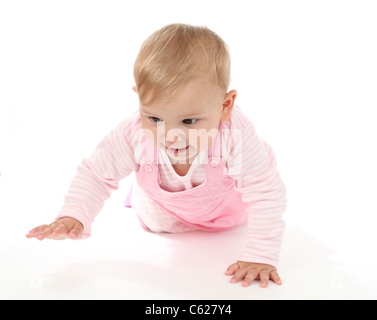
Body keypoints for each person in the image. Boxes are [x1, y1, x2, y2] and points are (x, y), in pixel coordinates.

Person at [26, 23, 287, 288]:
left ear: (225, 106)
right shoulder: (134, 132)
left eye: (189, 120)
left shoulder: (235, 135)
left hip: (226, 214)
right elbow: (96, 174)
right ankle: (137, 191)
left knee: (257, 174)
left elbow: (265, 191)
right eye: (154, 118)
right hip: (159, 215)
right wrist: (73, 216)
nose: (170, 135)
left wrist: (260, 256)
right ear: (139, 99)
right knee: (139, 184)